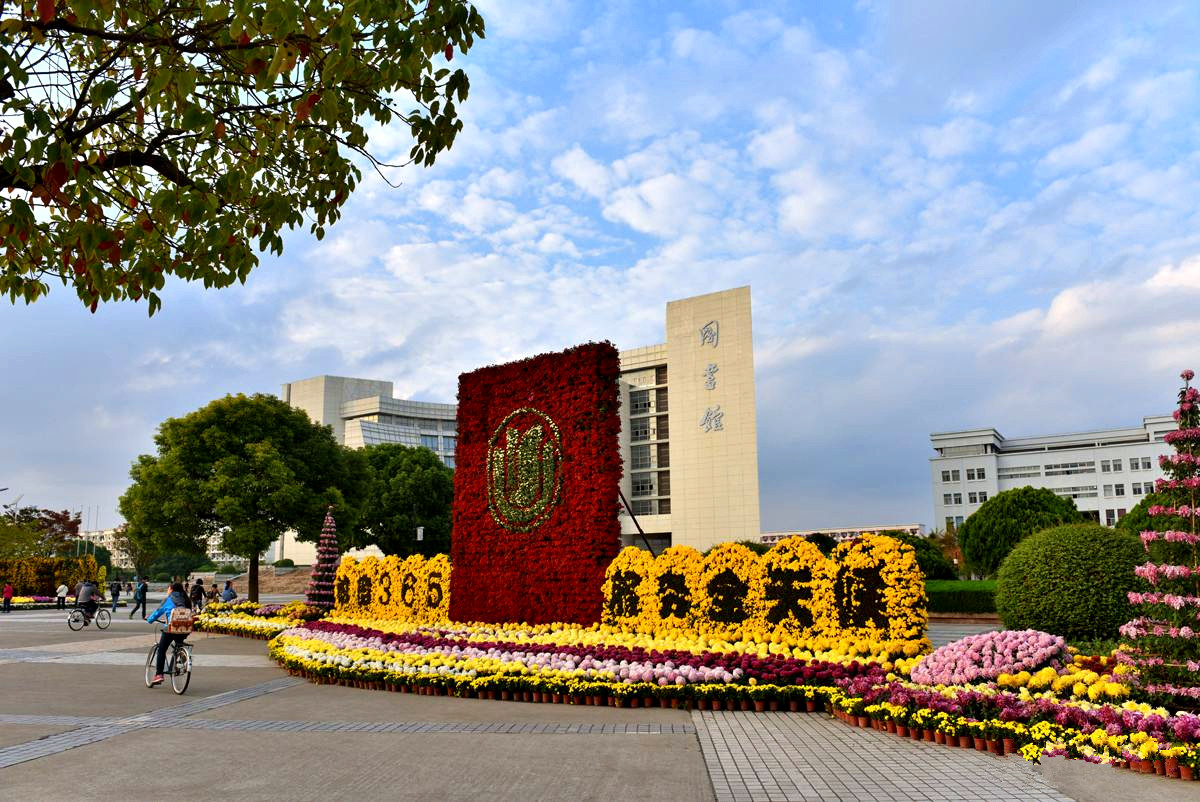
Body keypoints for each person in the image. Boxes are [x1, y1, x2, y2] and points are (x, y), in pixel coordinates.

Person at [145, 582, 192, 686]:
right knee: (178, 644)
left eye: (168, 588)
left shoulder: (168, 599)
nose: (167, 590)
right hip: (184, 629)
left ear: (171, 589)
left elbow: (158, 612)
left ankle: (159, 674)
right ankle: (180, 661)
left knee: (162, 649)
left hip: (171, 629)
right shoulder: (186, 600)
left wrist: (149, 619)